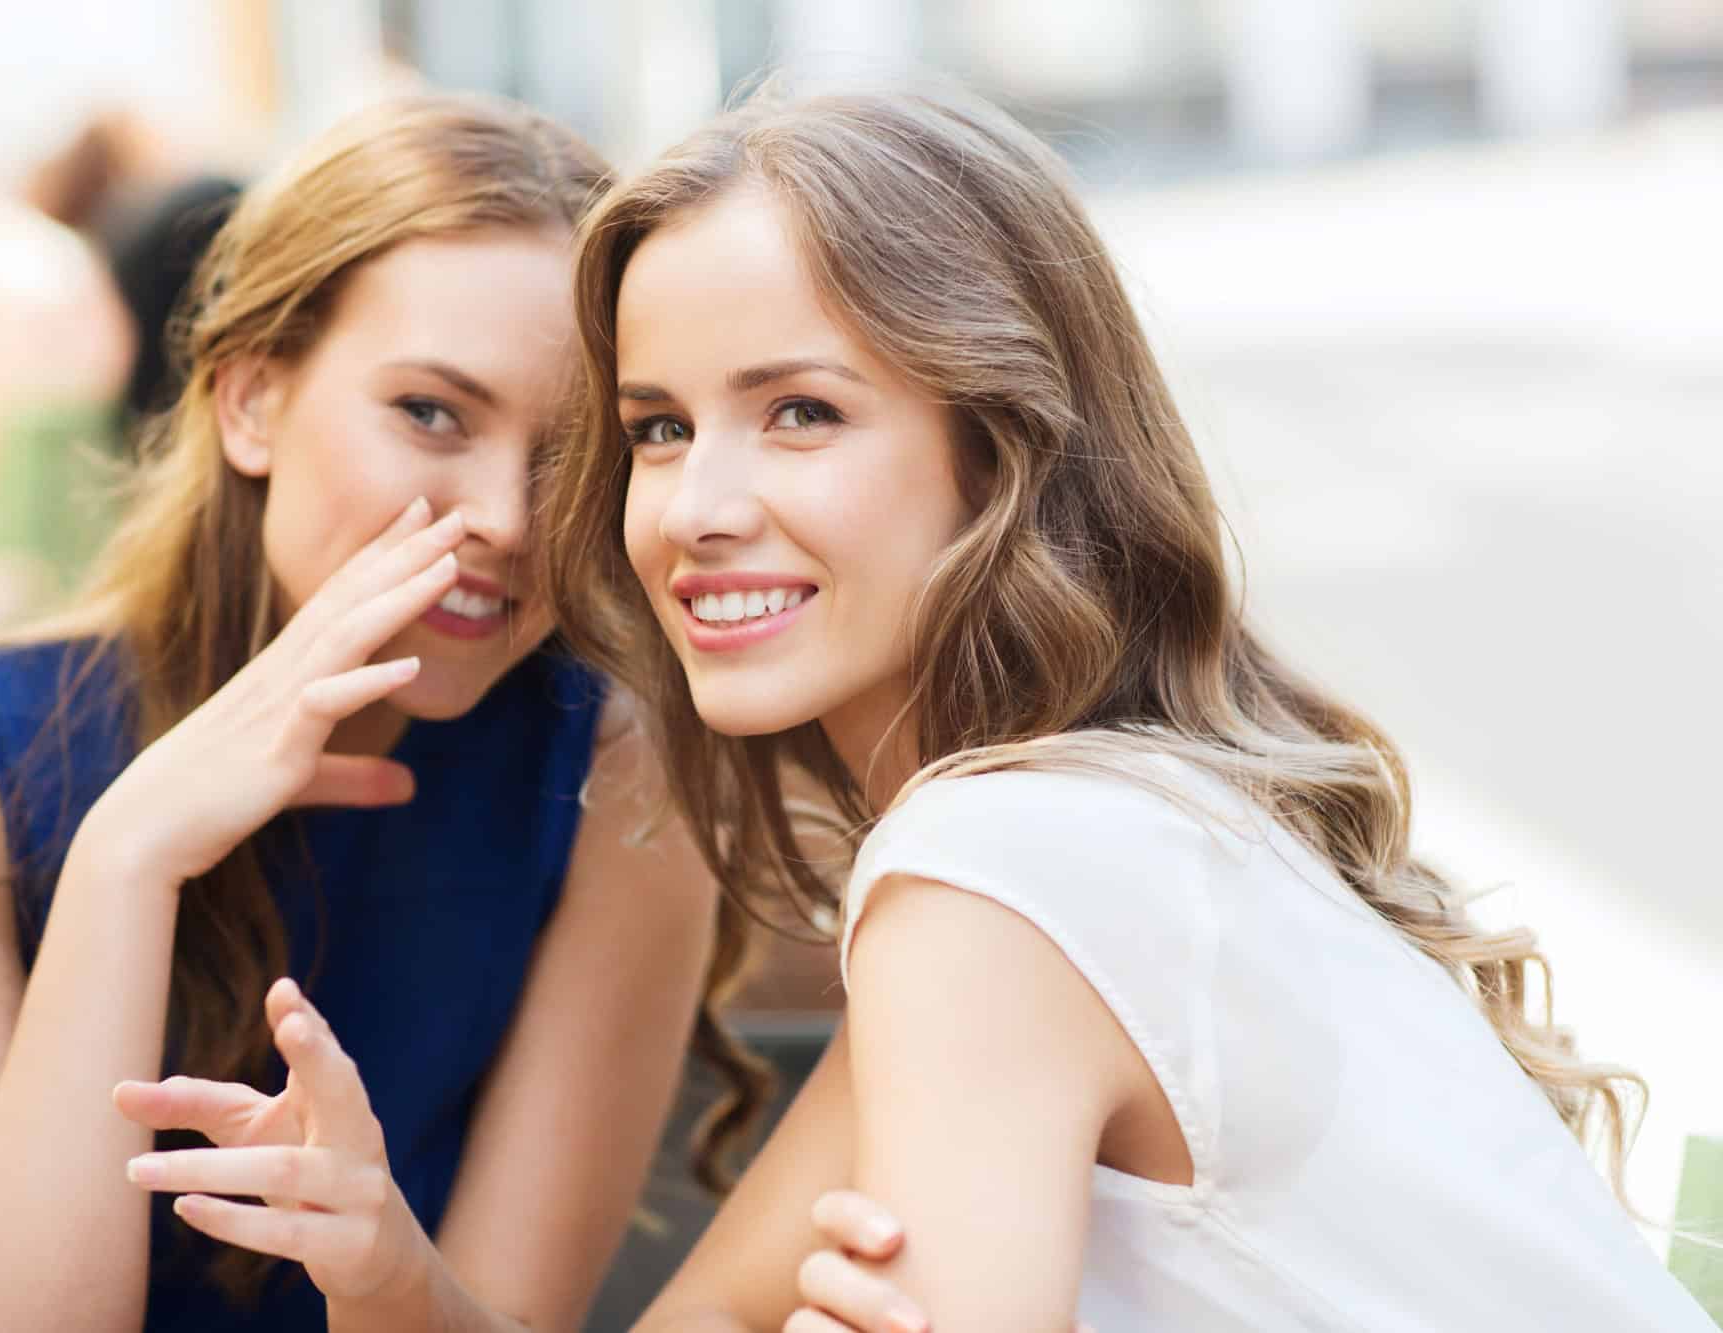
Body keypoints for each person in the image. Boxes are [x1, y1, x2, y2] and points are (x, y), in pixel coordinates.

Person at [125, 83, 1715, 1331]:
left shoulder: (998, 877)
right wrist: (392, 1272)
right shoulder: (1080, 828)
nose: (696, 508)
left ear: (1000, 446)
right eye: (662, 428)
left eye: (801, 411)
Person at [0, 93, 722, 1333]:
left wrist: (386, 1274)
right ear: (250, 401)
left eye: (572, 457)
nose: (507, 520)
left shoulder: (618, 779)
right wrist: (127, 859)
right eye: (430, 413)